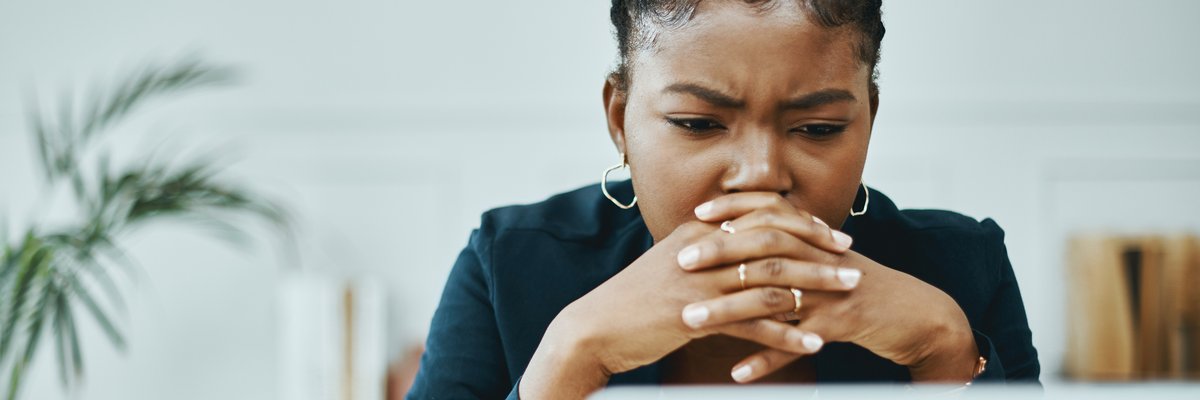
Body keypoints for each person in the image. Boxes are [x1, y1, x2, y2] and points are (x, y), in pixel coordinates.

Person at [407, 1, 1040, 398]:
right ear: (620, 118)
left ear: (868, 121)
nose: (761, 176)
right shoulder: (508, 265)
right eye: (699, 124)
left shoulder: (962, 267)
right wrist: (573, 355)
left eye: (817, 129)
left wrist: (946, 352)